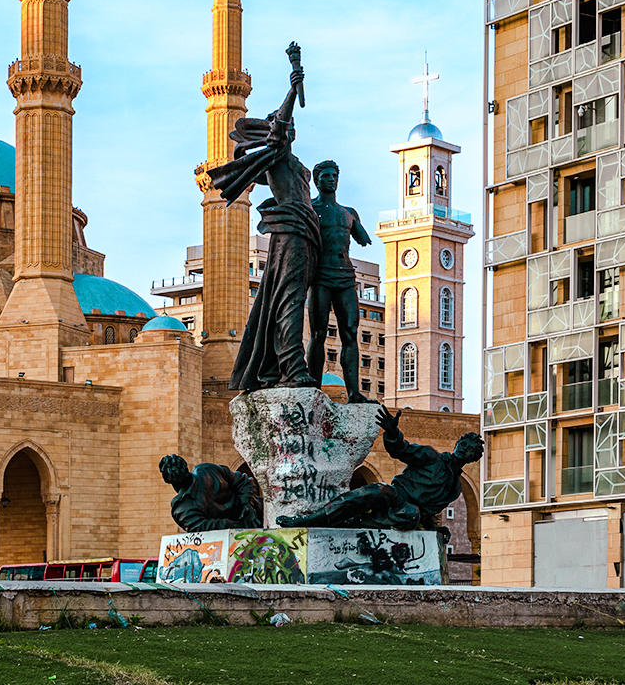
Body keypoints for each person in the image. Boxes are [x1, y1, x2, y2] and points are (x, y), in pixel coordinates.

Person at [206, 45, 319, 393]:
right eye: (285, 125)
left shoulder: (295, 162)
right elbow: (280, 126)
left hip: (307, 232)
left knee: (294, 299)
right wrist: (292, 88)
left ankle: (286, 365)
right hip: (291, 232)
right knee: (289, 301)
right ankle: (293, 366)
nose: (289, 127)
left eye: (292, 125)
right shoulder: (277, 153)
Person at [277, 407, 483, 531]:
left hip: (408, 512)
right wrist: (392, 432)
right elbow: (401, 450)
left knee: (412, 514)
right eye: (463, 444)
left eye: (469, 450)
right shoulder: (431, 457)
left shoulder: (454, 488)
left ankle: (351, 526)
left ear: (472, 458)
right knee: (378, 491)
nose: (463, 449)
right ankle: (310, 520)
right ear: (457, 444)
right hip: (397, 495)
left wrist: (435, 529)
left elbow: (428, 512)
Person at [308, 160, 373, 402]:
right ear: (317, 181)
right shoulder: (310, 208)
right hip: (320, 275)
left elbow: (363, 238)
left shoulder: (349, 213)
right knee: (318, 333)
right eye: (326, 176)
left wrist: (358, 229)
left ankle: (354, 392)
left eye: (334, 175)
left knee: (350, 332)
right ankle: (313, 389)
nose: (331, 179)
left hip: (345, 275)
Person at [159, 454, 261, 532]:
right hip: (252, 521)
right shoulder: (206, 469)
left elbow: (244, 482)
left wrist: (247, 506)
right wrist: (247, 508)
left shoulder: (181, 509)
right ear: (186, 467)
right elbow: (244, 482)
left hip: (252, 520)